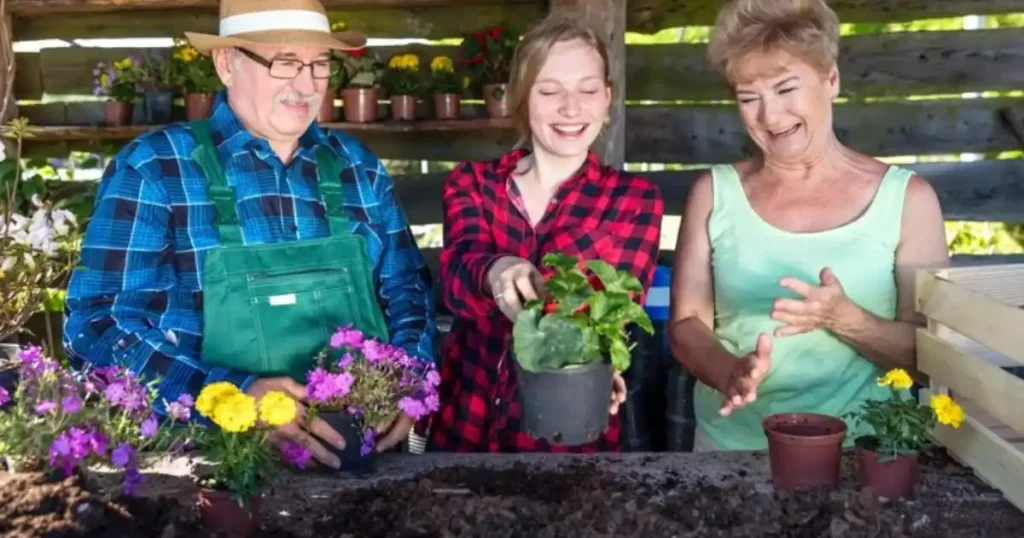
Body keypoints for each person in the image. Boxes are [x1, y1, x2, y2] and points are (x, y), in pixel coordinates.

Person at [62, 0, 436, 469]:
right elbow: (97, 324)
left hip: (359, 467)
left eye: (320, 64)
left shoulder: (356, 168)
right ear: (226, 63)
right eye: (285, 63)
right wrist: (229, 396)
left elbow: (407, 289)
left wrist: (408, 380)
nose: (307, 84)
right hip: (211, 469)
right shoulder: (157, 168)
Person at [666, 0, 949, 452]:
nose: (770, 116)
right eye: (748, 98)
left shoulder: (908, 199)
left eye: (784, 88)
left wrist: (844, 318)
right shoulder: (713, 193)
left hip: (867, 454)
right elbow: (685, 324)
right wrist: (727, 372)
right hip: (731, 452)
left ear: (830, 79)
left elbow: (930, 355)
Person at [422, 13, 664, 453]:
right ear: (522, 97)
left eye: (588, 91)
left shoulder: (633, 199)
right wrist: (497, 270)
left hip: (569, 436)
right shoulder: (473, 183)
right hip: (466, 426)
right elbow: (457, 278)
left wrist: (596, 353)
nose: (571, 108)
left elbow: (617, 308)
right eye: (550, 91)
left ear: (608, 98)